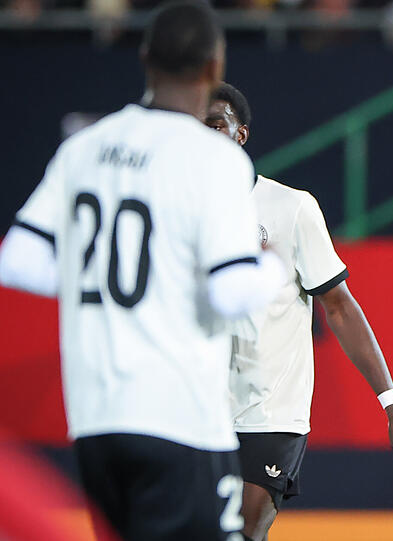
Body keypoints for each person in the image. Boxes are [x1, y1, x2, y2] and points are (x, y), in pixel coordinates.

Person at [0, 3, 284, 540]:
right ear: (213, 66)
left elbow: (18, 259)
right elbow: (230, 292)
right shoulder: (214, 158)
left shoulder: (84, 147)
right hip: (181, 418)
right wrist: (270, 269)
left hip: (95, 421)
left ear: (144, 58)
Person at [205, 82, 393, 541]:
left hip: (270, 412)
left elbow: (340, 308)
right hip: (199, 409)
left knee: (243, 530)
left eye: (216, 125)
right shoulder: (179, 211)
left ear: (240, 134)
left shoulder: (290, 207)